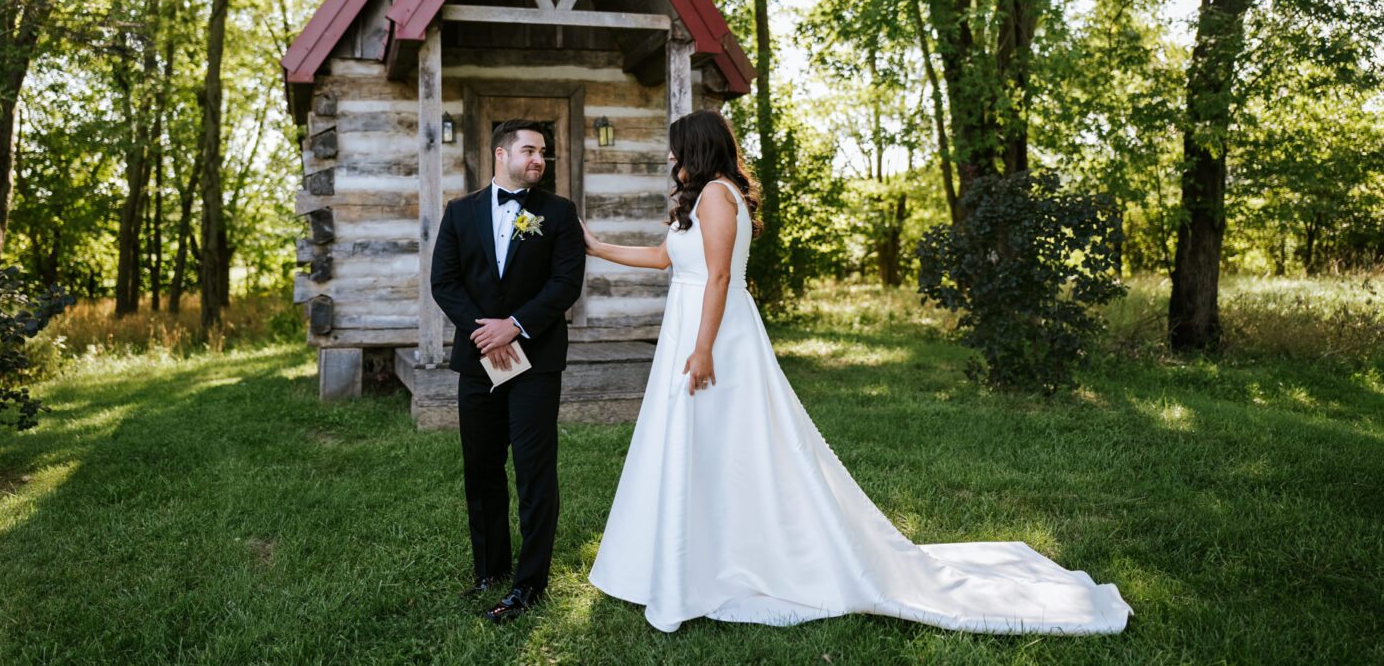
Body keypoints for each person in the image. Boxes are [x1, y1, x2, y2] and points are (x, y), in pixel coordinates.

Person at [582, 109, 1132, 634]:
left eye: (679, 150)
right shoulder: (703, 198)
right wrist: (596, 246)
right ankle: (695, 556)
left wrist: (702, 350)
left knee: (730, 446)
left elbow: (720, 278)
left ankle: (738, 559)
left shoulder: (718, 199)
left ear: (697, 150)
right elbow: (664, 259)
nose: (673, 159)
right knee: (697, 446)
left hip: (714, 336)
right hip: (690, 324)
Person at [430, 119, 586, 623]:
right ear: (501, 154)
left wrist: (515, 326)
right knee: (482, 468)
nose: (539, 159)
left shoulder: (559, 213)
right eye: (528, 150)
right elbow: (444, 281)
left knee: (535, 473)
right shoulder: (459, 212)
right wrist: (487, 333)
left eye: (543, 152)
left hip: (536, 362)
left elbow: (565, 283)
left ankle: (529, 584)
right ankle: (491, 571)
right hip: (479, 361)